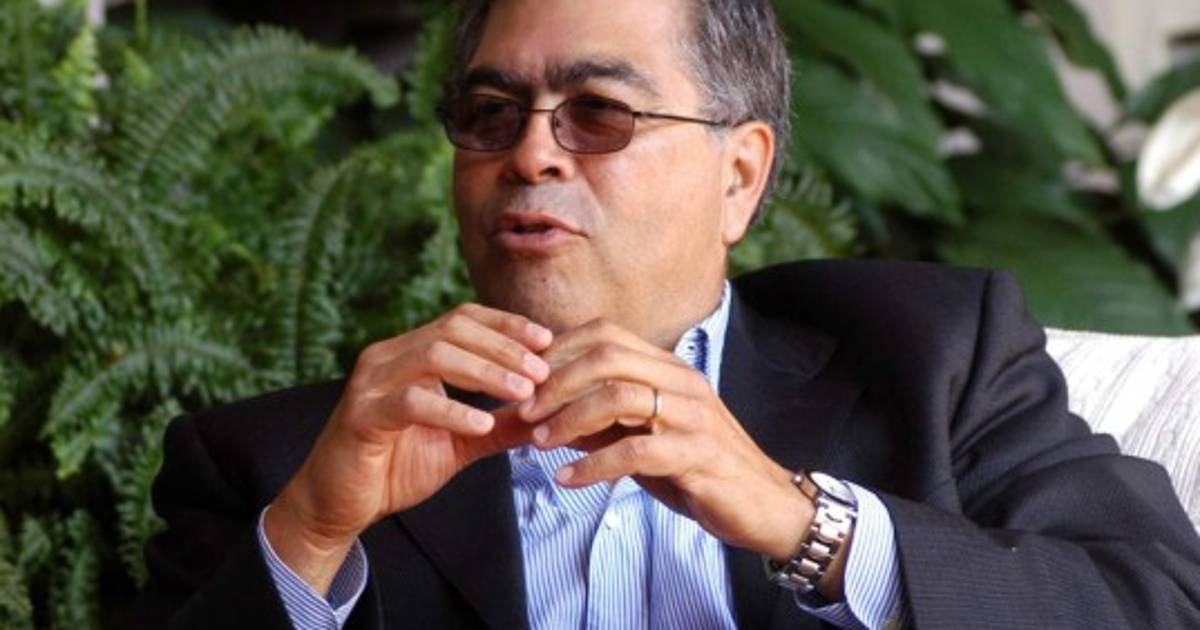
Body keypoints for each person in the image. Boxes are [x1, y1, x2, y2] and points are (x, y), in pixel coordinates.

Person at [131, 0, 1200, 628]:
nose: (531, 153)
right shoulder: (285, 465)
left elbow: (1155, 600)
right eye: (491, 113)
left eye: (599, 112)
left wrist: (803, 523)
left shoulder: (931, 359)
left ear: (740, 175)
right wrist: (312, 536)